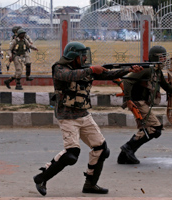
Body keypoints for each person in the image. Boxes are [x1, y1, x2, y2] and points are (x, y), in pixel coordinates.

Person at [32, 42, 143, 196]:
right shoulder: (59, 68)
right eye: (81, 55)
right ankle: (41, 178)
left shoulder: (85, 70)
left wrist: (130, 70)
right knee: (71, 154)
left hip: (83, 115)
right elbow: (68, 76)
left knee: (101, 149)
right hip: (67, 117)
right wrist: (91, 70)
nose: (84, 58)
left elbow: (108, 74)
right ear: (73, 57)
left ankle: (90, 184)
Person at [117, 46, 172, 165]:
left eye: (165, 56)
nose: (165, 59)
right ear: (155, 58)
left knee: (147, 129)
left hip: (142, 102)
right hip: (137, 102)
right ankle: (128, 148)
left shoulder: (157, 71)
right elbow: (127, 81)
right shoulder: (147, 69)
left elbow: (165, 85)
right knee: (155, 128)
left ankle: (125, 155)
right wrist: (128, 100)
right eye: (162, 57)